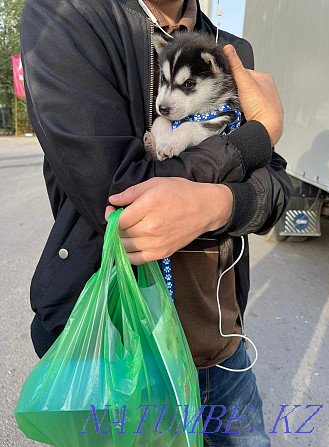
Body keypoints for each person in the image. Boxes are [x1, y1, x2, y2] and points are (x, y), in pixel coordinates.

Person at [21, 0, 292, 445]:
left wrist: (221, 203)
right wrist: (254, 138)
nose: (166, 103)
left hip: (220, 349)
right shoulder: (65, 15)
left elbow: (278, 191)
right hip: (117, 353)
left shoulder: (231, 52)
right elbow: (120, 195)